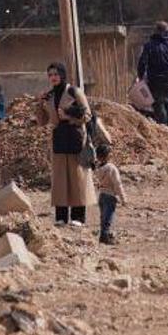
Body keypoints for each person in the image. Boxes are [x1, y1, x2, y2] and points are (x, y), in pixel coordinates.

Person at [36, 62, 97, 226]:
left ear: (62, 75)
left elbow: (88, 116)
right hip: (59, 137)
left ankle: (78, 217)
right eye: (50, 75)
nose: (53, 78)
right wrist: (39, 104)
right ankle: (61, 217)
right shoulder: (49, 95)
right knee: (60, 179)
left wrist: (68, 115)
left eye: (55, 74)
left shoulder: (74, 91)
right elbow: (41, 122)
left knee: (77, 177)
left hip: (76, 136)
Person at [94, 144, 126, 245]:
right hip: (110, 195)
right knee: (108, 218)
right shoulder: (112, 168)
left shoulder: (98, 168)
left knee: (103, 217)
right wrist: (123, 198)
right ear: (108, 155)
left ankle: (103, 235)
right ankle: (105, 237)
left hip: (102, 195)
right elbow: (117, 184)